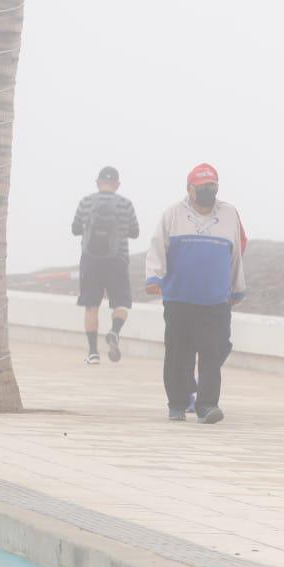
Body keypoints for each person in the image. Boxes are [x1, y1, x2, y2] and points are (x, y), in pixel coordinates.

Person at [144, 163, 246, 424]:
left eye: (212, 187)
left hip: (216, 300)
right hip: (179, 298)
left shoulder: (228, 213)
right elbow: (157, 246)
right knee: (179, 352)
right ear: (190, 189)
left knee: (215, 350)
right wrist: (154, 277)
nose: (208, 192)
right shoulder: (173, 214)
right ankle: (177, 403)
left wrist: (237, 288)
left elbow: (234, 254)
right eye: (203, 188)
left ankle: (207, 405)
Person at [70, 166, 139, 365]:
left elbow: (75, 229)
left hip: (91, 261)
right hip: (118, 260)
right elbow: (134, 232)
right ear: (117, 184)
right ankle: (114, 331)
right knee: (121, 303)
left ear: (98, 182)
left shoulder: (86, 202)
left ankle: (93, 353)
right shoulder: (126, 204)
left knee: (91, 306)